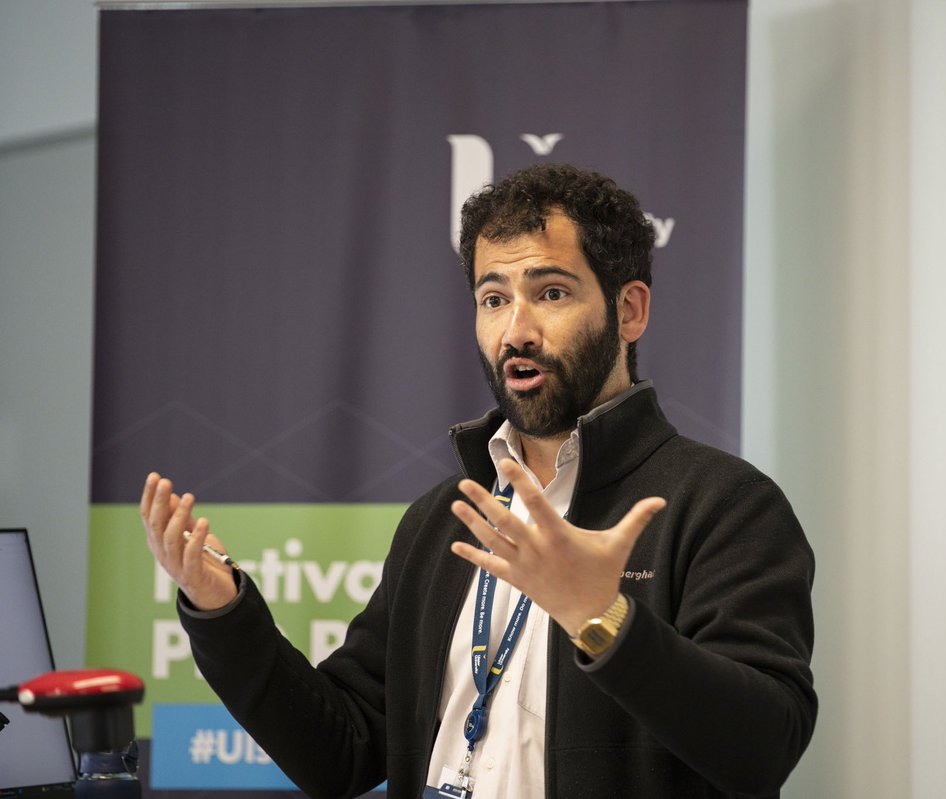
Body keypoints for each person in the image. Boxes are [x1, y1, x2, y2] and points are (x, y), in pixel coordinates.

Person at [140, 164, 816, 799]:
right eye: (494, 298)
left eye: (551, 292)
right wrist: (223, 611)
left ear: (630, 310)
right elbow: (339, 751)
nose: (516, 330)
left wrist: (602, 619)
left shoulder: (725, 505)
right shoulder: (443, 520)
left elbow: (762, 747)